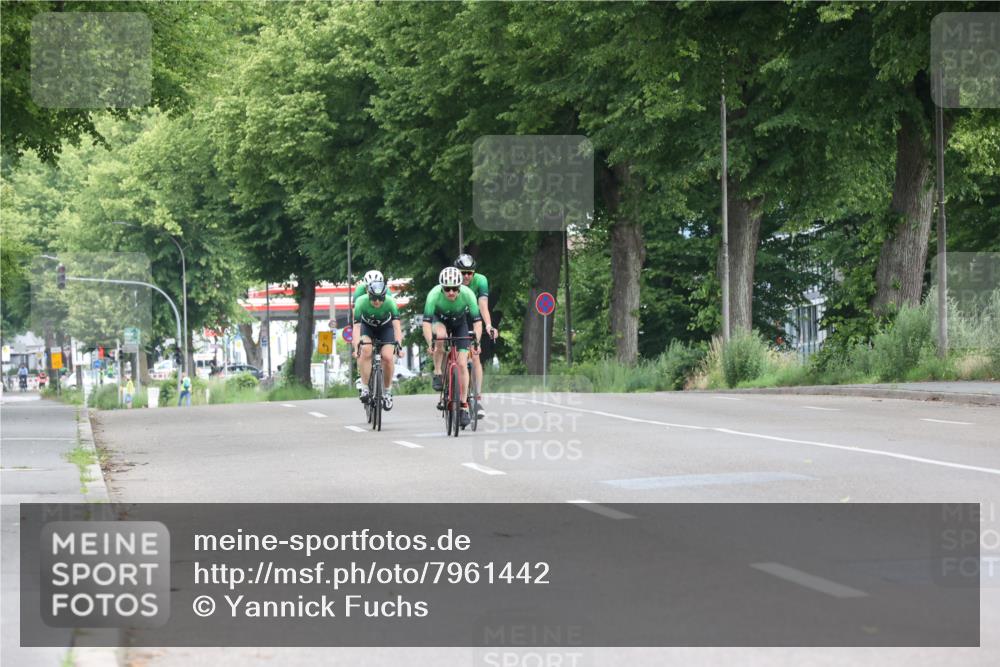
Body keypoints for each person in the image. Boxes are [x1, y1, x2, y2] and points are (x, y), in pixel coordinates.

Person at [423, 266, 482, 427]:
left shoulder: (468, 295)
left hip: (459, 323)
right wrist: (430, 342)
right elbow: (426, 323)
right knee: (440, 336)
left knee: (463, 364)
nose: (451, 292)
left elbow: (477, 322)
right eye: (447, 289)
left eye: (454, 289)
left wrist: (477, 342)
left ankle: (463, 405)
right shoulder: (434, 295)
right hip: (439, 320)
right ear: (442, 288)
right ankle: (437, 371)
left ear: (460, 287)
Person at [455, 253, 497, 419]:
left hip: (473, 317)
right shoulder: (451, 279)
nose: (466, 276)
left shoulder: (481, 281)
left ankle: (477, 398)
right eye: (463, 272)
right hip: (455, 317)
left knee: (476, 356)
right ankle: (450, 386)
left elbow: (483, 306)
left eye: (469, 272)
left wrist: (488, 325)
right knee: (451, 352)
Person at [352, 280, 404, 410]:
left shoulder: (390, 302)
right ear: (368, 295)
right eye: (373, 298)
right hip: (367, 327)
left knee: (387, 357)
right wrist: (356, 347)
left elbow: (397, 327)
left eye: (380, 298)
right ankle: (364, 388)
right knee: (366, 350)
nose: (377, 301)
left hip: (385, 328)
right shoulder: (360, 302)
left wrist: (399, 346)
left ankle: (387, 392)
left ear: (384, 296)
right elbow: (357, 327)